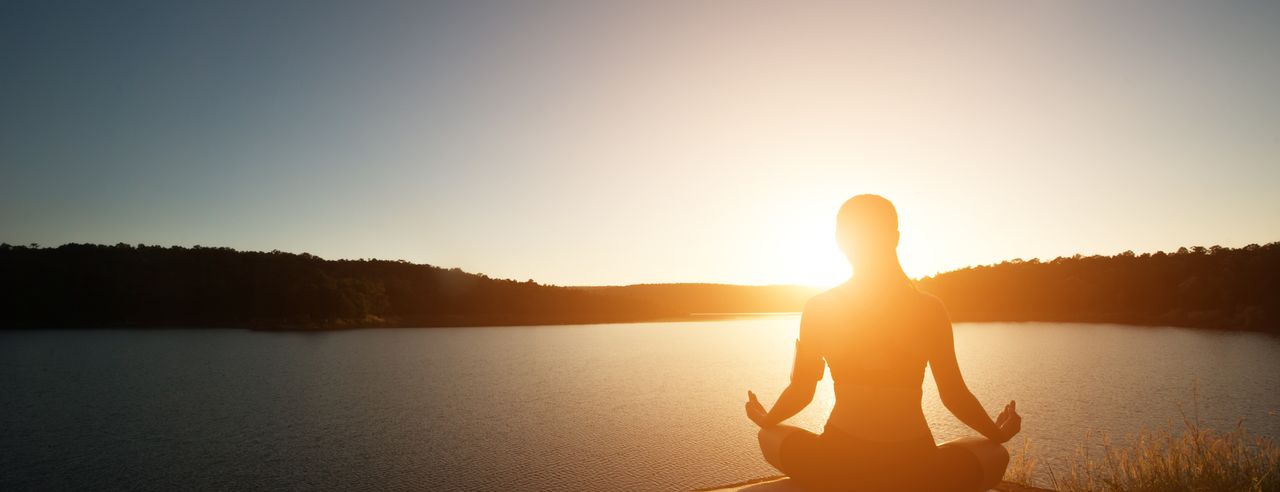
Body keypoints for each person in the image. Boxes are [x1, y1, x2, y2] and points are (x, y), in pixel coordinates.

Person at [745, 194, 1021, 492]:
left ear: (840, 240)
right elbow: (954, 394)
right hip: (915, 468)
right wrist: (996, 433)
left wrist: (767, 418)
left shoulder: (820, 307)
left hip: (835, 464)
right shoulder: (928, 308)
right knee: (994, 453)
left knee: (768, 436)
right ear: (895, 238)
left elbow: (802, 390)